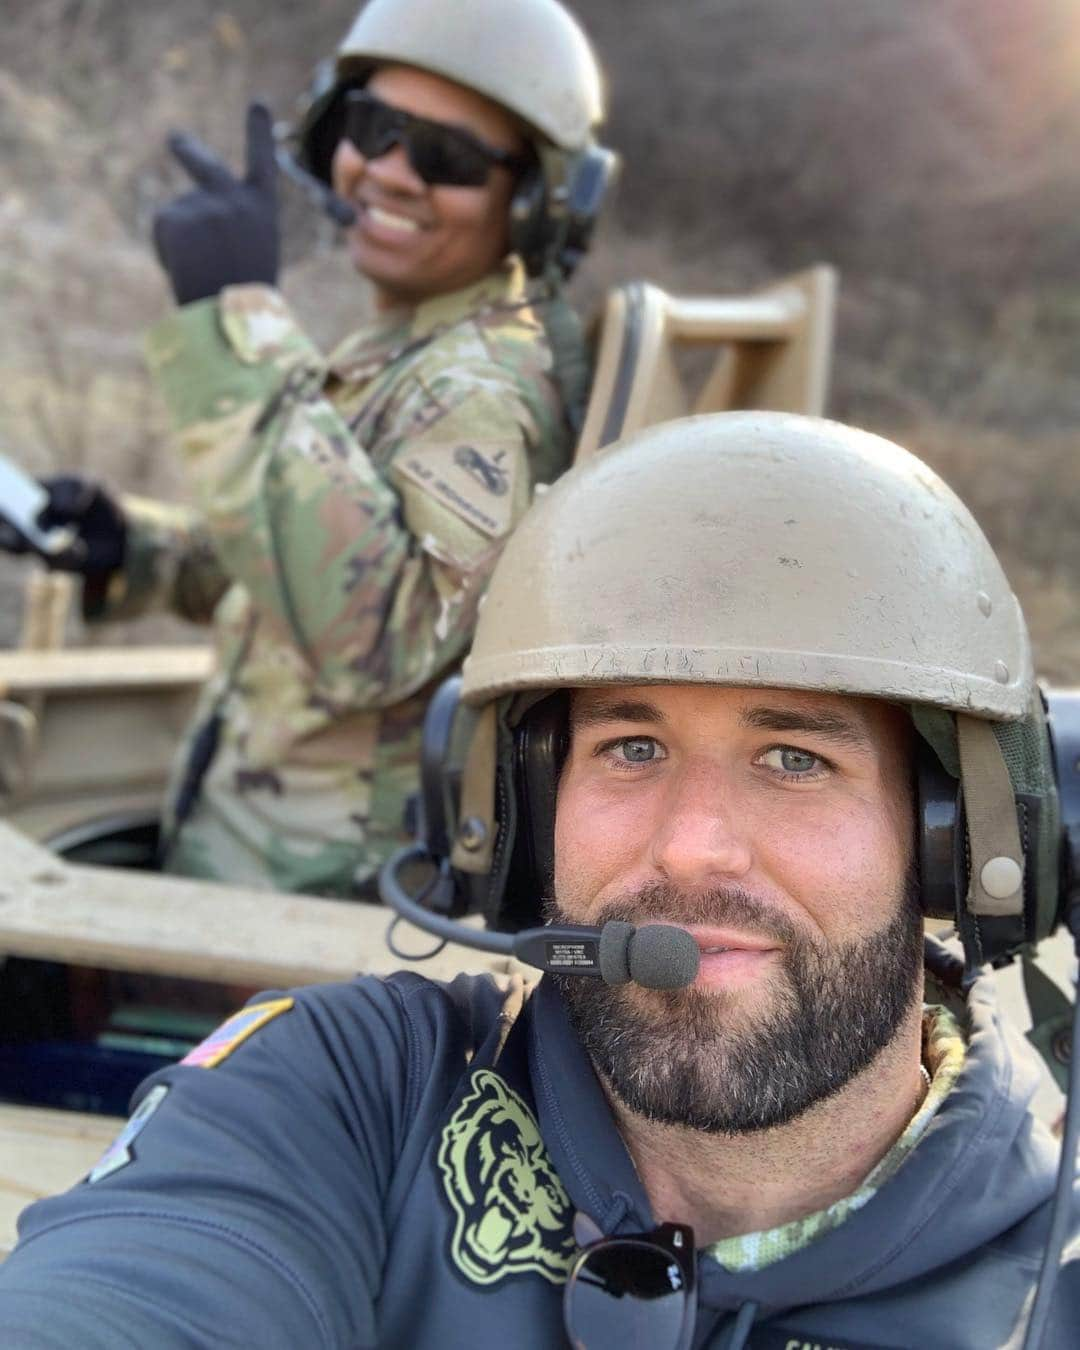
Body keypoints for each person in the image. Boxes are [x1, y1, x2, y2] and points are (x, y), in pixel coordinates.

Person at [1, 412, 1076, 1349]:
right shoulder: (347, 1096)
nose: (693, 847)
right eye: (631, 748)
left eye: (796, 759)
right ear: (514, 819)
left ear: (947, 835)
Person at [0, 0, 612, 896]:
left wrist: (234, 322)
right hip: (254, 858)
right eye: (373, 128)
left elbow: (376, 640)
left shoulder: (480, 391)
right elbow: (322, 562)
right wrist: (135, 549)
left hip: (319, 909)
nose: (392, 174)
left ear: (531, 203)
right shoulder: (416, 344)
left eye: (447, 158)